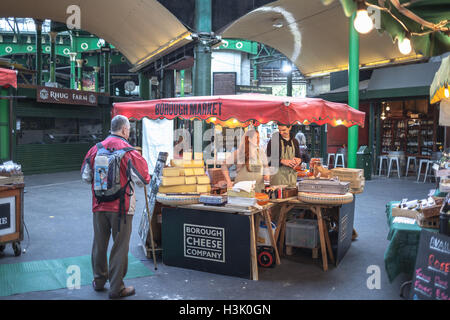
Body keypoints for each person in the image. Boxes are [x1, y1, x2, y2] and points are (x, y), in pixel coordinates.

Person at [81, 115, 150, 299]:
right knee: (120, 247)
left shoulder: (95, 150)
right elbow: (144, 179)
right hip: (122, 208)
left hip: (99, 205)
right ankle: (116, 288)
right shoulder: (130, 152)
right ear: (125, 130)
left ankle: (99, 280)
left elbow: (85, 177)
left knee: (99, 244)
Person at [221, 128, 270, 193]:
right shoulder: (239, 153)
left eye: (259, 138)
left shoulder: (261, 153)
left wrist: (267, 176)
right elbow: (224, 165)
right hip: (241, 190)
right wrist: (229, 182)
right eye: (256, 137)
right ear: (249, 139)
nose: (258, 140)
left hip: (258, 189)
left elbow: (266, 169)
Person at [266, 123, 310, 188]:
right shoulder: (273, 141)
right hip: (278, 181)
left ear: (290, 127)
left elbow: (299, 157)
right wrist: (282, 161)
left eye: (284, 130)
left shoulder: (295, 141)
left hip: (292, 180)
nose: (281, 132)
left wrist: (299, 160)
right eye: (279, 130)